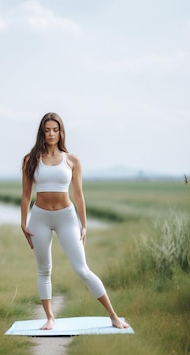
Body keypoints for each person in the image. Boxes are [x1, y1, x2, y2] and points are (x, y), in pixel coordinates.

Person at [20, 112, 129, 330]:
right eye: (47, 130)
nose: (51, 134)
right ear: (42, 132)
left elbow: (78, 195)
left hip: (66, 218)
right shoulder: (31, 159)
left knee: (82, 269)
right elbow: (25, 195)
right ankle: (50, 318)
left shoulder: (72, 160)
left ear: (61, 132)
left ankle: (113, 316)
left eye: (55, 129)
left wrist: (85, 224)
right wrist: (23, 223)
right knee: (44, 269)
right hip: (39, 218)